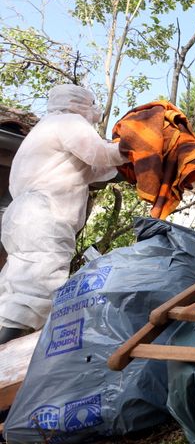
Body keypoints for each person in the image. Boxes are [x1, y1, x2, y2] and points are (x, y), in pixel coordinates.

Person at [0, 84, 126, 344]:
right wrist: (132, 148)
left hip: (23, 216)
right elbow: (100, 153)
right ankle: (9, 352)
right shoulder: (68, 122)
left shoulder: (44, 129)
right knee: (36, 286)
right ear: (80, 103)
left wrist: (124, 170)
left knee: (14, 284)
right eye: (91, 104)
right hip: (44, 216)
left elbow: (91, 170)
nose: (95, 110)